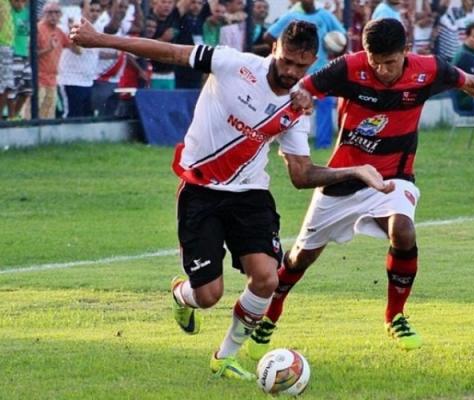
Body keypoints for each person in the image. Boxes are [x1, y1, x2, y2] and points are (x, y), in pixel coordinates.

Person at [70, 18, 393, 380]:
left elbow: (301, 176)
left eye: (301, 66)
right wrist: (100, 39)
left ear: (313, 61)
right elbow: (171, 52)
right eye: (287, 60)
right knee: (208, 295)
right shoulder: (232, 63)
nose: (291, 71)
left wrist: (355, 171)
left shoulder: (296, 108)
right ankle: (182, 296)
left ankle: (224, 356)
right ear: (274, 49)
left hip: (249, 195)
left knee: (266, 279)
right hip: (200, 190)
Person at [247, 18, 474, 360]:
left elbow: (473, 83)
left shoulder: (428, 70)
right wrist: (302, 97)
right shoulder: (350, 67)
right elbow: (305, 87)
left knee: (403, 230)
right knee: (301, 258)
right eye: (375, 62)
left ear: (406, 52)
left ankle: (395, 316)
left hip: (393, 176)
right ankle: (271, 315)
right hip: (343, 177)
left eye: (389, 62)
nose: (382, 70)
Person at [264, 0, 346, 149]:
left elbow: (343, 36)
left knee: (325, 105)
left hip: (322, 71)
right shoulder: (292, 16)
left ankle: (323, 144)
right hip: (296, 74)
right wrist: (285, 55)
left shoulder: (325, 15)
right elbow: (268, 35)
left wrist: (335, 46)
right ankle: (288, 142)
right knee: (294, 106)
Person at [37, 2, 73, 119]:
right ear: (44, 14)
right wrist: (49, 49)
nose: (53, 16)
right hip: (38, 79)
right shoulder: (38, 29)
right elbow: (30, 55)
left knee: (49, 116)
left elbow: (78, 50)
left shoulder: (59, 31)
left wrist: (73, 31)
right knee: (32, 114)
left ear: (61, 15)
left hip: (52, 80)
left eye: (56, 12)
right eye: (50, 12)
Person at [8, 0, 32, 120]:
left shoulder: (27, 13)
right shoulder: (8, 12)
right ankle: (11, 116)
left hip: (25, 54)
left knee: (27, 90)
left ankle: (14, 115)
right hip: (13, 53)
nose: (20, 3)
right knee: (12, 88)